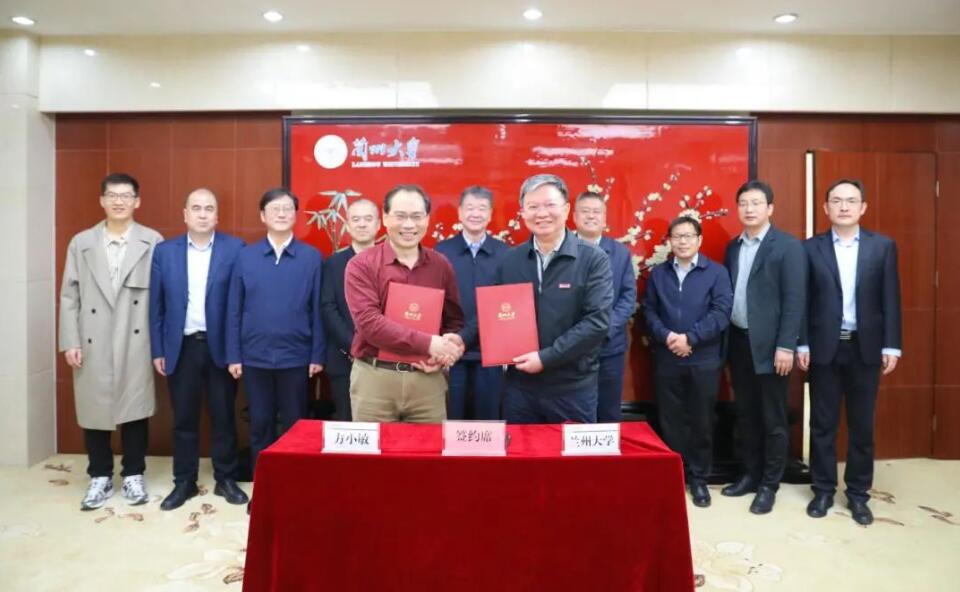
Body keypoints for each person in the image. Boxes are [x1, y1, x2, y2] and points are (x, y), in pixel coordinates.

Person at [797, 178, 902, 526]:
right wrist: (802, 342)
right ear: (826, 207)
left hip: (865, 347)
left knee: (861, 426)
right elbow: (802, 301)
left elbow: (891, 298)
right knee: (822, 424)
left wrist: (892, 344)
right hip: (824, 347)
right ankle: (823, 490)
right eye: (837, 200)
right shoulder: (809, 248)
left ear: (863, 207)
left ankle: (858, 494)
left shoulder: (882, 247)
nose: (844, 206)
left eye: (851, 200)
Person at [59, 172, 163, 510]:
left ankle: (133, 474)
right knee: (94, 408)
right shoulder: (82, 243)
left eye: (126, 195)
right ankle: (100, 476)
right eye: (113, 195)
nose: (119, 201)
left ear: (137, 201)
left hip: (136, 335)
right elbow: (69, 295)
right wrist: (70, 340)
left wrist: (160, 343)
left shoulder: (152, 241)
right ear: (102, 200)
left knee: (135, 408)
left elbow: (163, 297)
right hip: (94, 336)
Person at [149, 188, 248, 510]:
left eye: (209, 208)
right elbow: (156, 306)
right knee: (184, 419)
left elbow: (240, 305)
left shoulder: (235, 249)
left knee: (224, 416)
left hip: (221, 348)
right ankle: (184, 481)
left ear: (217, 215)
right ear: (185, 214)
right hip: (181, 347)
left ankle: (225, 479)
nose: (203, 214)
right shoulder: (165, 252)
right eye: (196, 208)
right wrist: (158, 349)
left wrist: (236, 351)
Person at [492, 174, 613, 424]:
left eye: (549, 205)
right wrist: (458, 341)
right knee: (521, 449)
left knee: (570, 451)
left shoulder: (593, 259)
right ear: (522, 212)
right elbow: (494, 314)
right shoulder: (510, 260)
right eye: (533, 206)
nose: (541, 213)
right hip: (520, 388)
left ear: (566, 209)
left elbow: (597, 322)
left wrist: (546, 358)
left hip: (572, 388)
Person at [226, 188, 325, 487]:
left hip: (296, 357)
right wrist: (234, 355)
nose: (282, 214)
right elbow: (234, 309)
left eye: (287, 209)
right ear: (263, 216)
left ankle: (294, 487)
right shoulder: (246, 256)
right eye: (275, 209)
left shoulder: (311, 257)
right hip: (254, 357)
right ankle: (264, 487)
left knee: (296, 426)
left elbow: (317, 309)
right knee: (260, 425)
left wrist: (316, 355)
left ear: (295, 215)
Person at [344, 184, 465, 423]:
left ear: (427, 219)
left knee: (429, 447)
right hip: (375, 380)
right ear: (385, 218)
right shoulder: (361, 265)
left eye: (417, 216)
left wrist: (451, 349)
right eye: (400, 216)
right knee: (375, 449)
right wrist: (430, 344)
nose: (409, 225)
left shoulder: (441, 265)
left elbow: (454, 320)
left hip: (427, 381)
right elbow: (369, 324)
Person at [721, 180, 806, 515]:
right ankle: (750, 474)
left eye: (756, 203)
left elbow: (794, 299)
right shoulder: (733, 247)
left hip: (772, 347)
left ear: (770, 208)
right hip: (739, 341)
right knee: (746, 413)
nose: (749, 209)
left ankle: (770, 484)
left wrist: (786, 345)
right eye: (743, 203)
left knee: (773, 417)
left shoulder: (787, 246)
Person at [643, 215, 732, 508]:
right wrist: (668, 337)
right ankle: (674, 474)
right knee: (671, 419)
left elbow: (721, 312)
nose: (683, 242)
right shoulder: (659, 274)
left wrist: (690, 339)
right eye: (677, 236)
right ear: (670, 241)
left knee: (701, 420)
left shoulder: (716, 273)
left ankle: (699, 478)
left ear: (699, 240)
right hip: (667, 358)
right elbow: (649, 311)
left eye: (688, 236)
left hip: (703, 359)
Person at [435, 186, 509, 419]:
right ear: (459, 213)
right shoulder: (441, 252)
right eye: (470, 208)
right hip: (451, 352)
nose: (475, 214)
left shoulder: (505, 254)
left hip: (492, 353)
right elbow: (435, 301)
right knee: (453, 419)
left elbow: (506, 303)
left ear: (490, 214)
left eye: (482, 208)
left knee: (489, 421)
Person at [572, 190, 637, 422]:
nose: (591, 216)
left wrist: (605, 328)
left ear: (604, 218)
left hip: (609, 346)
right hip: (571, 347)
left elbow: (628, 297)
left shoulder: (620, 253)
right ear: (574, 216)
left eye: (596, 212)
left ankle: (607, 447)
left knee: (608, 409)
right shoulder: (561, 249)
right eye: (585, 211)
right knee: (573, 408)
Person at [321, 198, 382, 421]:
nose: (362, 224)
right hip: (343, 359)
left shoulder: (391, 262)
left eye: (368, 219)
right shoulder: (333, 263)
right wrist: (354, 346)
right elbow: (328, 308)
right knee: (348, 423)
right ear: (347, 225)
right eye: (356, 219)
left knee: (382, 426)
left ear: (379, 224)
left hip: (384, 361)